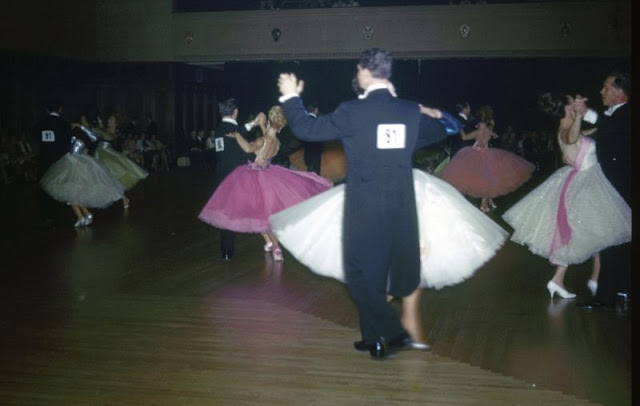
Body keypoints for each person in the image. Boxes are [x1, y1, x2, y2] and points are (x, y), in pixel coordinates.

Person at [277, 48, 449, 358]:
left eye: (358, 70)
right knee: (377, 274)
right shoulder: (408, 111)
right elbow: (445, 129)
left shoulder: (352, 112)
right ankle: (374, 339)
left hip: (364, 209)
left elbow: (307, 129)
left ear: (366, 72)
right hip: (400, 209)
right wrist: (432, 113)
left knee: (360, 274)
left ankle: (392, 334)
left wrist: (291, 97)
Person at [502, 94, 631, 299]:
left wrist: (596, 127)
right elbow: (570, 138)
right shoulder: (566, 126)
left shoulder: (572, 127)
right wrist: (579, 116)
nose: (575, 105)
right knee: (592, 235)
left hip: (586, 181)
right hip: (586, 184)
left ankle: (574, 280)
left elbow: (580, 136)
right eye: (572, 103)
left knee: (597, 235)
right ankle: (588, 280)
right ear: (565, 108)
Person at [198, 105, 332, 261]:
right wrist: (262, 125)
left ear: (270, 121)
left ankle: (276, 247)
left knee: (261, 214)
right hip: (267, 175)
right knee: (259, 213)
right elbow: (267, 138)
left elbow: (248, 148)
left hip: (254, 176)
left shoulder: (262, 140)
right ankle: (269, 243)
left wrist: (237, 135)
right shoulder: (276, 142)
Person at [573, 69, 631, 310]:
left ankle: (606, 297)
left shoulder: (626, 114)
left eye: (606, 87)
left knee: (612, 242)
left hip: (621, 187)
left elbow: (610, 127)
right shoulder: (614, 116)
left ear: (620, 91)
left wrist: (587, 113)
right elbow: (603, 131)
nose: (601, 91)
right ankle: (619, 290)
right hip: (612, 186)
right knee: (617, 242)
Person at [438, 107, 535, 214]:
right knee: (488, 180)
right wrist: (491, 129)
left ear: (480, 122)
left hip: (477, 154)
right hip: (488, 153)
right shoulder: (489, 130)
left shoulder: (478, 131)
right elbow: (495, 135)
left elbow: (465, 137)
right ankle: (486, 203)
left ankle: (483, 204)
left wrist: (460, 128)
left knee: (479, 179)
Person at [40, 117, 125, 227]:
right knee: (72, 192)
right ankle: (85, 215)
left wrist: (81, 127)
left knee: (71, 193)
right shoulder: (74, 133)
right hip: (73, 161)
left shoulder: (82, 133)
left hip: (76, 163)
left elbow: (93, 138)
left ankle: (82, 216)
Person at [207, 98, 265, 261]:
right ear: (236, 112)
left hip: (221, 177)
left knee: (227, 213)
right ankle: (272, 243)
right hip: (238, 179)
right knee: (259, 208)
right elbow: (241, 133)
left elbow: (240, 131)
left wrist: (253, 123)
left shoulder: (219, 131)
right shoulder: (233, 131)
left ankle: (227, 250)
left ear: (221, 113)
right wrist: (256, 123)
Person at [32, 100, 74, 228]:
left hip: (44, 161)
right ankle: (58, 216)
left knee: (44, 188)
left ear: (46, 109)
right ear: (60, 109)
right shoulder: (65, 125)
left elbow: (35, 142)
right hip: (59, 162)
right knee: (58, 187)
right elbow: (68, 145)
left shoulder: (40, 124)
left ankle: (47, 217)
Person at [302, 102, 324, 175]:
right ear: (316, 109)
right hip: (315, 150)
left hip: (307, 151)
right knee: (316, 172)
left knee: (310, 171)